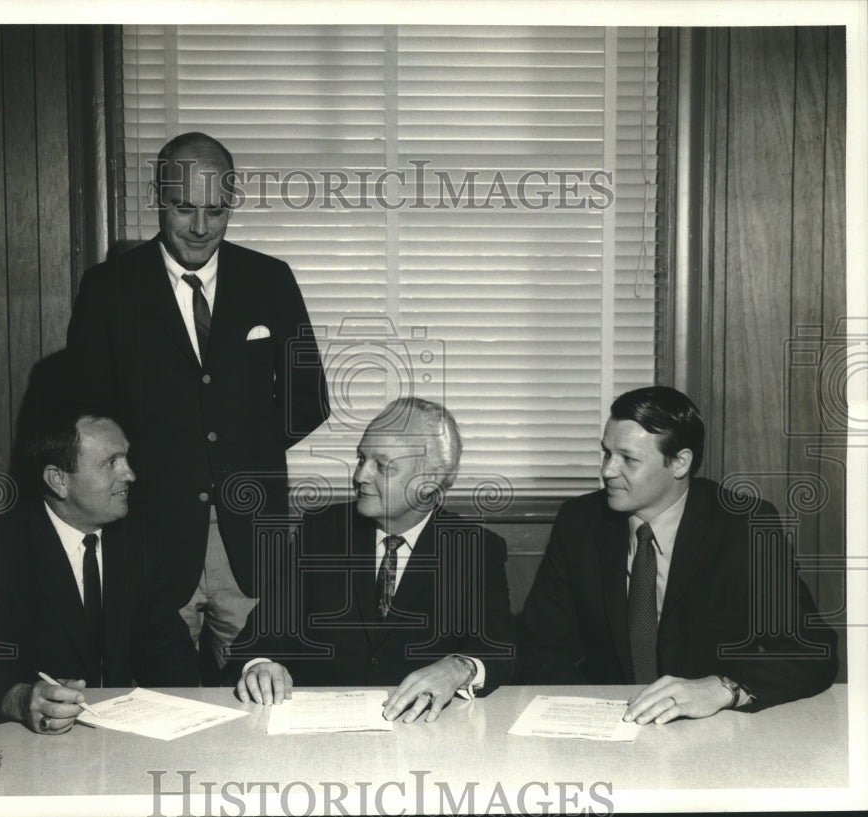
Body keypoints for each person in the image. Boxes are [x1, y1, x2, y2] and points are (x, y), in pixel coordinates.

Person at [65, 132, 330, 676]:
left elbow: (309, 399)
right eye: (185, 208)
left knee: (262, 702)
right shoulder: (107, 288)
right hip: (149, 539)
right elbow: (85, 415)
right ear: (158, 198)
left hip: (250, 542)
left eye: (216, 210)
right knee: (152, 706)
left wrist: (234, 451)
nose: (201, 228)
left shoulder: (270, 280)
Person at [519, 386, 838, 724]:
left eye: (628, 459)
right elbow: (540, 647)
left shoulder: (744, 526)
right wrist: (600, 714)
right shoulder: (579, 522)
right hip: (607, 728)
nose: (608, 471)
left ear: (680, 463)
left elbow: (811, 651)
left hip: (711, 733)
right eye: (606, 453)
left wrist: (722, 688)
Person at [229, 398, 515, 723]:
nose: (360, 476)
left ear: (430, 480)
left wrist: (458, 668)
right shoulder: (320, 532)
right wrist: (260, 664)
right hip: (318, 732)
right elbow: (261, 634)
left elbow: (499, 646)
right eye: (361, 458)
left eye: (382, 465)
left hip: (424, 732)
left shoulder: (476, 549)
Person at [0, 406, 197, 732]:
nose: (130, 474)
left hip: (120, 738)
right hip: (25, 743)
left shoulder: (140, 541)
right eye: (111, 463)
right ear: (58, 480)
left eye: (126, 458)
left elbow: (168, 651)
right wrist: (20, 699)